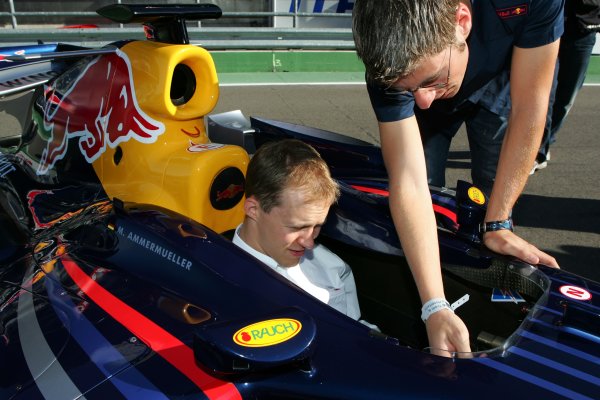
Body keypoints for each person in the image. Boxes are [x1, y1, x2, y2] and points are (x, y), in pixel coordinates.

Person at [353, 0, 561, 355]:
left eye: (431, 82)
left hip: (502, 80)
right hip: (448, 57)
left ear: (461, 21)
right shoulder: (387, 44)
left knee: (493, 184)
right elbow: (408, 180)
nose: (424, 103)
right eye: (408, 89)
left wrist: (498, 222)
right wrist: (434, 305)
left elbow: (530, 107)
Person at [233, 139, 362, 321]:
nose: (309, 243)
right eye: (297, 227)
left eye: (317, 226)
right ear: (254, 210)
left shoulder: (332, 265)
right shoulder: (225, 284)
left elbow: (356, 329)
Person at [533, 0, 600, 173]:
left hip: (583, 30)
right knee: (545, 94)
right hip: (548, 27)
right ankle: (536, 151)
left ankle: (545, 141)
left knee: (566, 98)